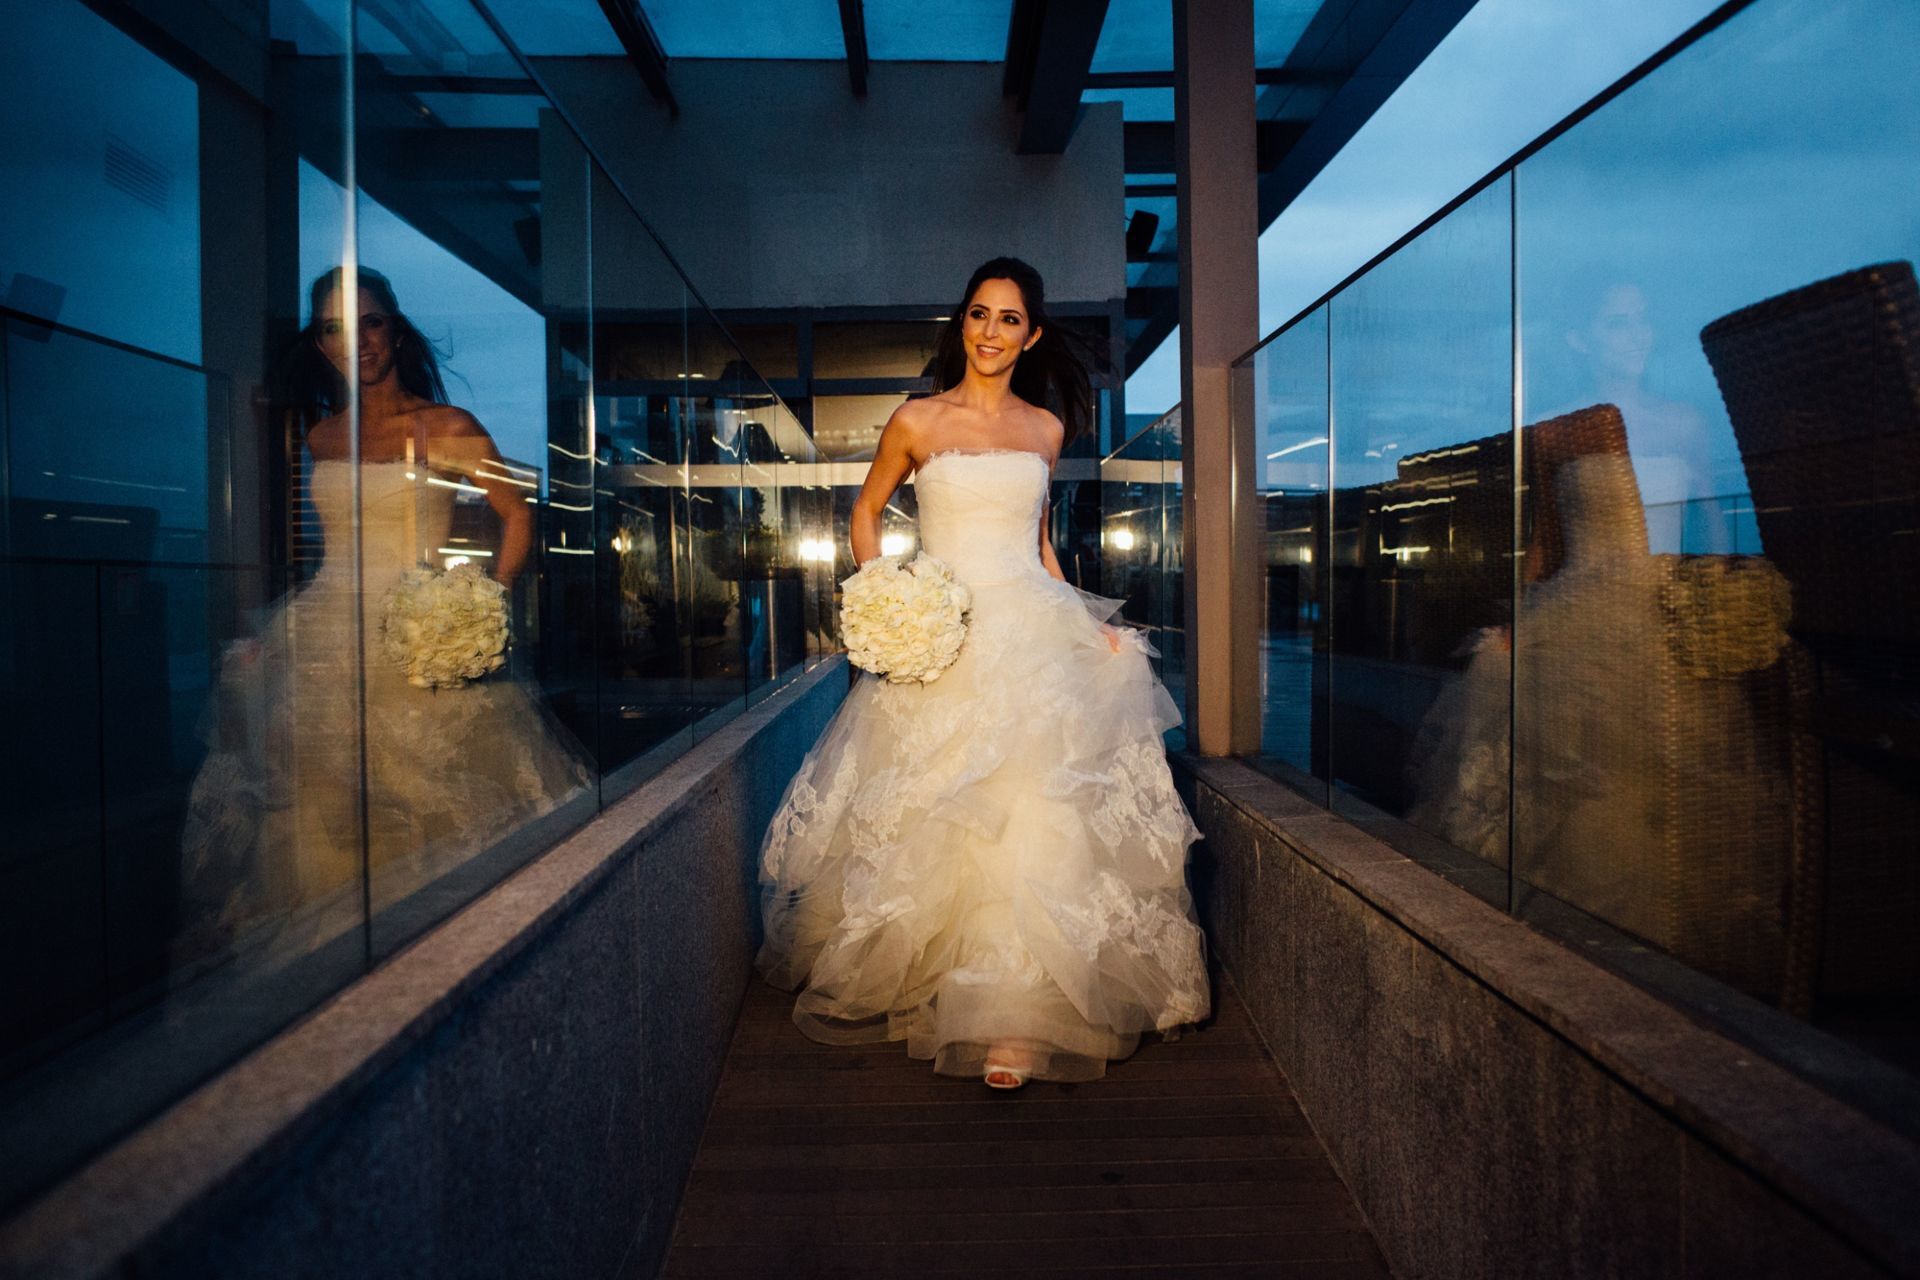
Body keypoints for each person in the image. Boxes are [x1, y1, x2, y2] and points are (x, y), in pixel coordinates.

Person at [755, 258, 1209, 1089]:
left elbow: (1038, 549)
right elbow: (864, 512)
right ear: (960, 325)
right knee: (937, 812)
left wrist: (1086, 626)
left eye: (1008, 319)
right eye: (978, 314)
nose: (991, 331)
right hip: (945, 629)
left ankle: (1014, 1015)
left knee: (1037, 811)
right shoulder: (917, 420)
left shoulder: (1045, 429)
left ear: (1031, 334)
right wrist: (889, 595)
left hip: (1032, 630)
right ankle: (940, 978)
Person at [177, 268, 590, 962]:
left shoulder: (448, 426)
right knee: (315, 813)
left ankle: (439, 964)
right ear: (319, 344)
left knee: (430, 804)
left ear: (394, 329)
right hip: (322, 633)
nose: (357, 341)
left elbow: (518, 516)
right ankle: (332, 978)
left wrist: (481, 601)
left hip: (416, 635)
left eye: (369, 322)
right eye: (335, 328)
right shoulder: (321, 437)